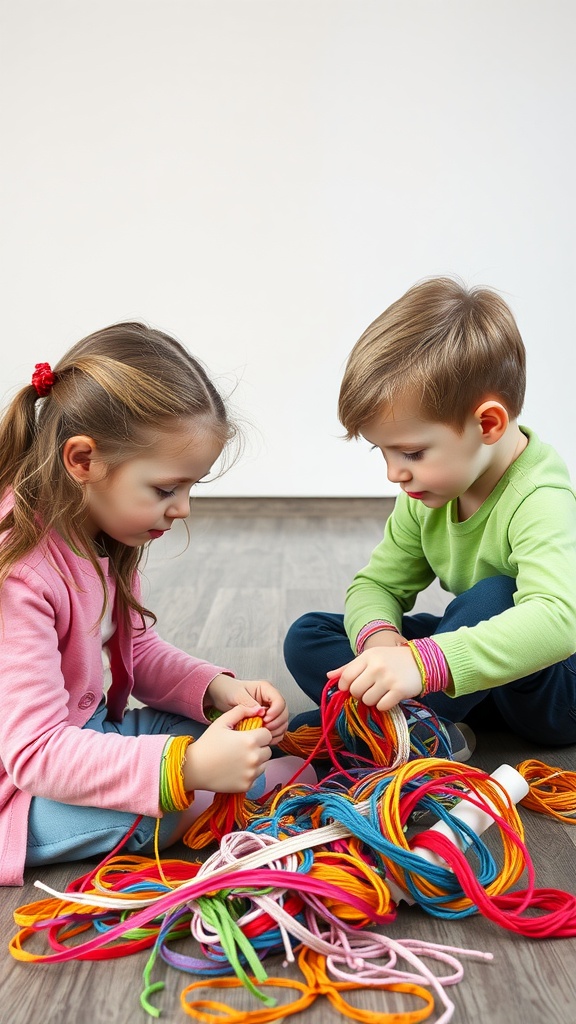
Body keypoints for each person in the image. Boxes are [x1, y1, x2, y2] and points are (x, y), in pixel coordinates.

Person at [0, 322, 303, 887]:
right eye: (167, 489)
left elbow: (136, 644)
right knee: (164, 798)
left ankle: (268, 766)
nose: (182, 508)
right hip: (19, 792)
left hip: (83, 733)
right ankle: (266, 782)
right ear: (83, 461)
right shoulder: (21, 574)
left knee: (215, 726)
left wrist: (216, 691)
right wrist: (187, 768)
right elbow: (35, 752)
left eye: (191, 488)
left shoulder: (101, 527)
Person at [284, 277, 576, 751]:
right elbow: (376, 585)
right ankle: (414, 723)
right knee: (310, 634)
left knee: (497, 595)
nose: (394, 474)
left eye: (412, 453)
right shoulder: (426, 492)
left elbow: (557, 622)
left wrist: (422, 664)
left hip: (554, 690)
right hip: (473, 672)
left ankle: (371, 728)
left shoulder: (540, 494)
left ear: (488, 424)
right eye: (383, 453)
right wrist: (381, 646)